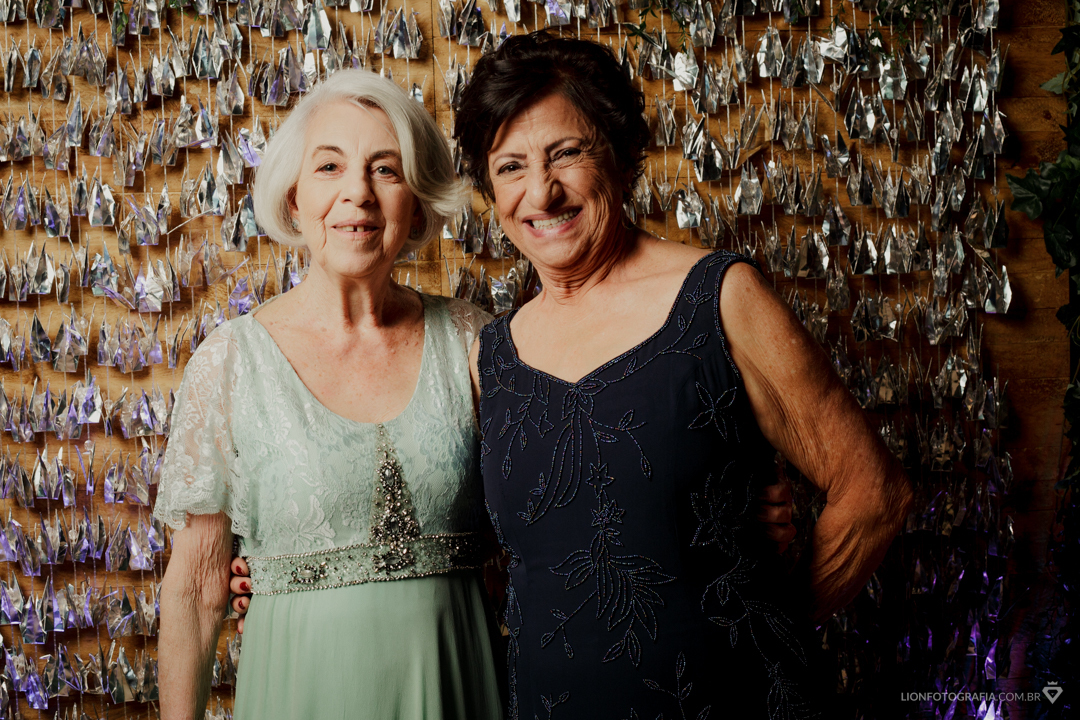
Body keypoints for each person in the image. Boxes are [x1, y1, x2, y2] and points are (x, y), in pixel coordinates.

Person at [452, 32, 912, 719]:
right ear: (490, 189)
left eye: (566, 153)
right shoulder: (492, 358)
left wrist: (771, 629)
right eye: (511, 166)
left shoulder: (721, 298)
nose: (541, 191)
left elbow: (876, 493)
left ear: (619, 154)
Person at [154, 69, 503, 720]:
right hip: (299, 687)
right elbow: (196, 590)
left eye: (385, 169)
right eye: (330, 166)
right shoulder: (230, 362)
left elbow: (543, 528)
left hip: (455, 681)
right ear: (293, 199)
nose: (358, 194)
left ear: (417, 202)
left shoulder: (474, 342)